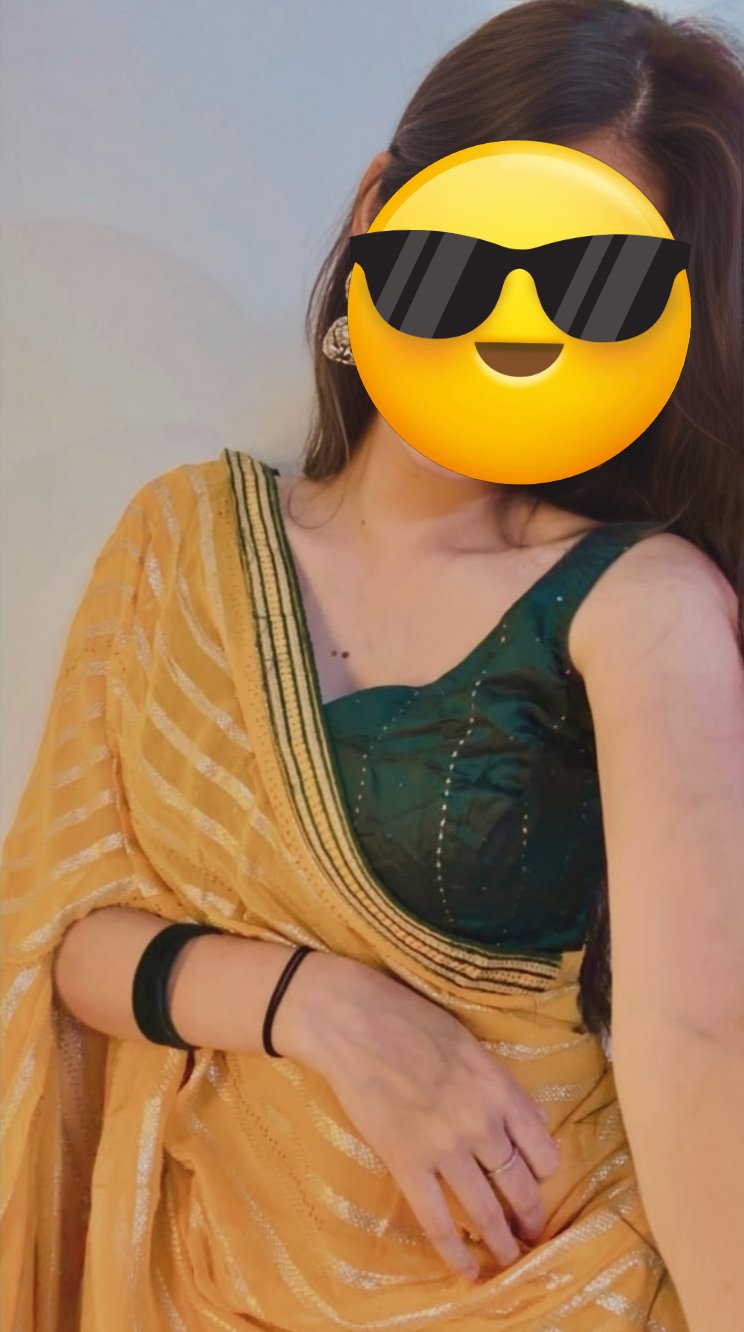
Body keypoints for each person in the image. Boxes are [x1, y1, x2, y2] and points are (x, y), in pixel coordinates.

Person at [2, 0, 743, 1328]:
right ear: (377, 211)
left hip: (553, 1291)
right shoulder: (182, 539)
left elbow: (698, 1040)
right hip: (196, 1285)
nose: (522, 323)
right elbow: (62, 933)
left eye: (597, 285)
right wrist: (320, 1004)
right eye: (483, 250)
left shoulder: (639, 603)